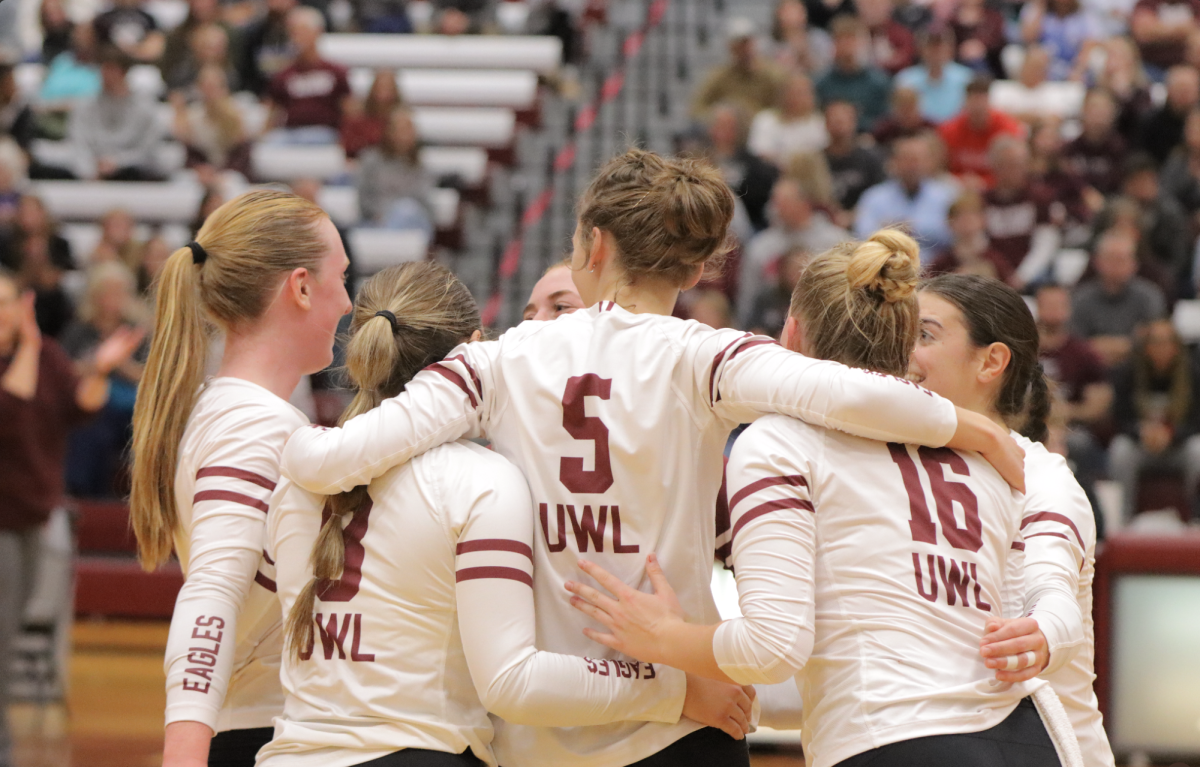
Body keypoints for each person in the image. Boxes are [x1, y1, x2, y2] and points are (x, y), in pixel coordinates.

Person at [280, 149, 1024, 767]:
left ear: (593, 246)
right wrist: (973, 428)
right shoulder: (701, 355)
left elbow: (329, 462)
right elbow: (848, 394)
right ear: (696, 269)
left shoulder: (499, 361)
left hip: (545, 730)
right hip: (684, 720)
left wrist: (280, 433)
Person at [561, 237, 1071, 767]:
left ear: (793, 332)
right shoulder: (983, 452)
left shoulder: (780, 441)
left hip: (891, 741)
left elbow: (773, 648)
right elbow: (1032, 612)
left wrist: (665, 638)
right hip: (1029, 738)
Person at [263, 262, 750, 767]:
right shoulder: (484, 481)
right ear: (476, 352)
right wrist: (677, 688)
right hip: (430, 748)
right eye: (529, 313)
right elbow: (513, 681)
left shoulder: (305, 474)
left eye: (561, 309)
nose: (538, 327)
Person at [129, 190, 353, 767]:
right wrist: (182, 755)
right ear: (301, 287)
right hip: (253, 737)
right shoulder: (253, 425)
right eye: (341, 278)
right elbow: (211, 594)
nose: (349, 303)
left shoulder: (228, 409)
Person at [910, 275, 1115, 767]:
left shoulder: (1043, 477)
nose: (902, 351)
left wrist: (1044, 631)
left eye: (925, 335)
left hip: (1050, 747)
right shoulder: (887, 465)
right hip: (938, 742)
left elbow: (1055, 595)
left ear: (991, 361)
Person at [0, 267, 142, 767]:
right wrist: (33, 344)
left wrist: (100, 372)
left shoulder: (49, 358)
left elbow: (82, 407)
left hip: (32, 515)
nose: (2, 312)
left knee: (11, 627)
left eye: (7, 302)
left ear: (24, 305)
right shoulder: (32, 357)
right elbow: (10, 410)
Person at [61, 262, 147, 497]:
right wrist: (97, 366)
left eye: (119, 292)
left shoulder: (137, 331)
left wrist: (120, 363)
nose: (112, 298)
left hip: (130, 407)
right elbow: (64, 370)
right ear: (95, 295)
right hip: (90, 404)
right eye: (107, 291)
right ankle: (81, 494)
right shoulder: (79, 330)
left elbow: (150, 376)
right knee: (91, 428)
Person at [1108, 319, 1200, 522]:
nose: (1161, 348)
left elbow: (1196, 421)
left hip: (1178, 446)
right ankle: (1122, 521)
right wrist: (1141, 432)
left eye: (1167, 342)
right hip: (1140, 445)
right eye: (1155, 342)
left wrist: (1173, 434)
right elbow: (1119, 417)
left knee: (1198, 450)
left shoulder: (1193, 373)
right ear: (1146, 347)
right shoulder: (1128, 372)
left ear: (1176, 347)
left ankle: (1195, 519)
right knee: (1120, 450)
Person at [738, 178, 850, 327]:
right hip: (772, 321)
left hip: (826, 319)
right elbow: (748, 298)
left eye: (784, 202)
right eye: (775, 202)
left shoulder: (837, 242)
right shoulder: (760, 247)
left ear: (805, 203)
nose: (776, 208)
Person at [1071, 229, 1167, 367]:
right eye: (1111, 258)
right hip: (1090, 368)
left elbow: (1152, 339)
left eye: (1122, 259)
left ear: (1134, 264)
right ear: (1097, 262)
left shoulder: (1149, 296)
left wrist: (1101, 344)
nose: (1116, 265)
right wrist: (1126, 344)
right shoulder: (1080, 298)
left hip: (1138, 370)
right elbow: (1073, 342)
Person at [854, 133, 957, 262]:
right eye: (906, 160)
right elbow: (862, 234)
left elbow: (954, 234)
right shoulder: (874, 197)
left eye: (917, 160)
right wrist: (889, 234)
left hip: (936, 268)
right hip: (887, 267)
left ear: (928, 162)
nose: (913, 166)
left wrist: (913, 229)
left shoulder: (946, 195)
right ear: (894, 162)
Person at [67, 47, 164, 181]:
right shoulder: (85, 105)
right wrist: (89, 170)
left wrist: (118, 162)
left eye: (110, 69)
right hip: (92, 170)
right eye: (102, 69)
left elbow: (148, 148)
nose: (104, 75)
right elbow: (79, 143)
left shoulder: (145, 107)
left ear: (123, 72)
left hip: (133, 171)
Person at [264, 7, 351, 144]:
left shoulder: (335, 72)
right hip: (291, 133)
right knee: (270, 146)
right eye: (293, 32)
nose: (297, 37)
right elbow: (272, 112)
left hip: (326, 132)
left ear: (317, 32)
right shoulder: (284, 75)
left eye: (302, 31)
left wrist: (348, 141)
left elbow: (349, 111)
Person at [982, 136, 1061, 288]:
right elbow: (981, 243)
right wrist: (1002, 274)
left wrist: (1022, 277)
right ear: (995, 166)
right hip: (994, 274)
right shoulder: (983, 201)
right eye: (1010, 165)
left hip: (1031, 275)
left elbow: (1045, 244)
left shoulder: (1040, 198)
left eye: (1021, 165)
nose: (1017, 171)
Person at [356, 107, 435, 234]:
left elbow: (424, 200)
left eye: (409, 129)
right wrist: (378, 214)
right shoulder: (371, 160)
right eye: (401, 129)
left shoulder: (421, 166)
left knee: (408, 210)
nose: (406, 134)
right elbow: (364, 197)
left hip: (413, 221)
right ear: (389, 131)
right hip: (378, 221)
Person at [938, 76, 1026, 188]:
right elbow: (939, 168)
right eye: (973, 100)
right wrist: (959, 180)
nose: (977, 106)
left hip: (996, 189)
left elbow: (1015, 170)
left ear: (989, 101)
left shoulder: (1007, 129)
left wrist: (984, 182)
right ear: (965, 102)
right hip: (957, 188)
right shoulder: (949, 130)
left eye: (981, 100)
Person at [690, 18, 781, 121]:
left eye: (746, 43)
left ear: (754, 43)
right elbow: (696, 108)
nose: (743, 49)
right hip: (730, 132)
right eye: (738, 45)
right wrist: (719, 115)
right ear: (730, 47)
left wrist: (761, 117)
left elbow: (784, 108)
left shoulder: (771, 75)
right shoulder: (720, 76)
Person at [816, 16, 892, 132]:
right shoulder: (822, 83)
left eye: (851, 39)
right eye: (841, 40)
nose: (847, 46)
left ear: (862, 43)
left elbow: (886, 119)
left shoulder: (879, 82)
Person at [747, 72, 829, 169]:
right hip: (772, 173)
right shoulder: (765, 120)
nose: (797, 98)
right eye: (793, 92)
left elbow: (822, 155)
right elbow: (759, 152)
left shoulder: (820, 123)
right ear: (782, 94)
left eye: (803, 93)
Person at [894, 25, 974, 124]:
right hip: (921, 133)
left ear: (951, 48)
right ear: (921, 49)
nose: (937, 52)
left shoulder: (966, 78)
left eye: (941, 46)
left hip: (955, 133)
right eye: (931, 47)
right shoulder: (906, 79)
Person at [928, 189, 1013, 281]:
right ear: (950, 222)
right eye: (960, 216)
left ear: (983, 220)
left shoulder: (995, 260)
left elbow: (1010, 287)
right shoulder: (942, 263)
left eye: (971, 216)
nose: (966, 222)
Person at [1062, 88, 1128, 198]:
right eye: (1094, 109)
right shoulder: (1068, 150)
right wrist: (1085, 192)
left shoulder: (1121, 149)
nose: (1098, 115)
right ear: (1083, 111)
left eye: (1104, 110)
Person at [823, 101, 886, 212]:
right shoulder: (815, 160)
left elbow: (880, 195)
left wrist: (853, 216)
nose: (839, 125)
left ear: (854, 123)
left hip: (863, 219)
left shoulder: (870, 159)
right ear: (826, 124)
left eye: (843, 121)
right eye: (834, 121)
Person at [1020, 0, 1102, 82]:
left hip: (1074, 64)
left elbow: (1090, 44)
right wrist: (1041, 7)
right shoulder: (1036, 8)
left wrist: (1078, 69)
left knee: (1096, 57)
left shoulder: (1084, 11)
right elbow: (1028, 38)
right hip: (1045, 65)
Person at [1137, 64, 1199, 163]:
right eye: (1179, 89)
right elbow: (1141, 156)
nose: (1184, 95)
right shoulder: (1151, 122)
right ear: (1168, 90)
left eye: (1188, 90)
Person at [341, 69, 401, 160]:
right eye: (381, 86)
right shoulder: (357, 119)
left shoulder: (402, 121)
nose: (385, 91)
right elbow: (349, 148)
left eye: (388, 87)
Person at [92, 0, 166, 64]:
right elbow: (94, 47)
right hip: (110, 64)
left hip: (139, 64)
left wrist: (132, 51)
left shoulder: (148, 19)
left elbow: (156, 48)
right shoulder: (103, 19)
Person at [871, 87, 936, 148]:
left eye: (910, 108)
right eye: (903, 109)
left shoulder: (930, 128)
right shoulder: (884, 131)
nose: (907, 114)